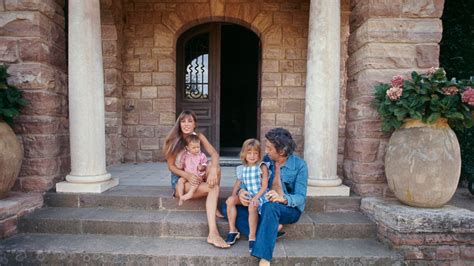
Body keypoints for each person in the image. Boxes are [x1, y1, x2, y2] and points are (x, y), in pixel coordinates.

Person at [223, 128, 308, 266]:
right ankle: (271, 229)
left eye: (269, 148)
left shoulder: (300, 165)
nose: (266, 151)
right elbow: (253, 179)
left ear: (281, 151)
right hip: (263, 203)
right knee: (226, 205)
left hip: (288, 208)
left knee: (270, 207)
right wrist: (242, 192)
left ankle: (264, 258)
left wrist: (282, 198)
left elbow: (300, 197)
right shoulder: (267, 160)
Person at [163, 110, 230, 248]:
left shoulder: (198, 136)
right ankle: (213, 233)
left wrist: (212, 171)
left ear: (195, 124)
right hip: (181, 181)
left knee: (214, 166)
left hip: (197, 175)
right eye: (183, 121)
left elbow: (214, 154)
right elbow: (171, 166)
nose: (186, 124)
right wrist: (187, 175)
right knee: (214, 187)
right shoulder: (174, 140)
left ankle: (213, 203)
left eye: (190, 121)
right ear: (179, 123)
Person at [225, 139, 269, 252]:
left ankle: (252, 237)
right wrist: (234, 196)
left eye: (255, 153)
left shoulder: (262, 166)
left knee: (252, 205)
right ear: (244, 154)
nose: (252, 156)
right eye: (249, 153)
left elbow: (264, 186)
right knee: (230, 201)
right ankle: (233, 230)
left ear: (259, 154)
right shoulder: (242, 168)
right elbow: (238, 184)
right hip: (249, 196)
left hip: (260, 196)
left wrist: (256, 197)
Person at [175, 133, 208, 205]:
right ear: (187, 148)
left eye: (198, 147)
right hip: (187, 175)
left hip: (197, 174)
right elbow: (181, 164)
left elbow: (205, 164)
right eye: (194, 147)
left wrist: (202, 167)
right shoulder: (185, 155)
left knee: (195, 182)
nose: (196, 149)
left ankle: (190, 193)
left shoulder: (201, 155)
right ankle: (181, 196)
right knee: (180, 181)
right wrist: (180, 163)